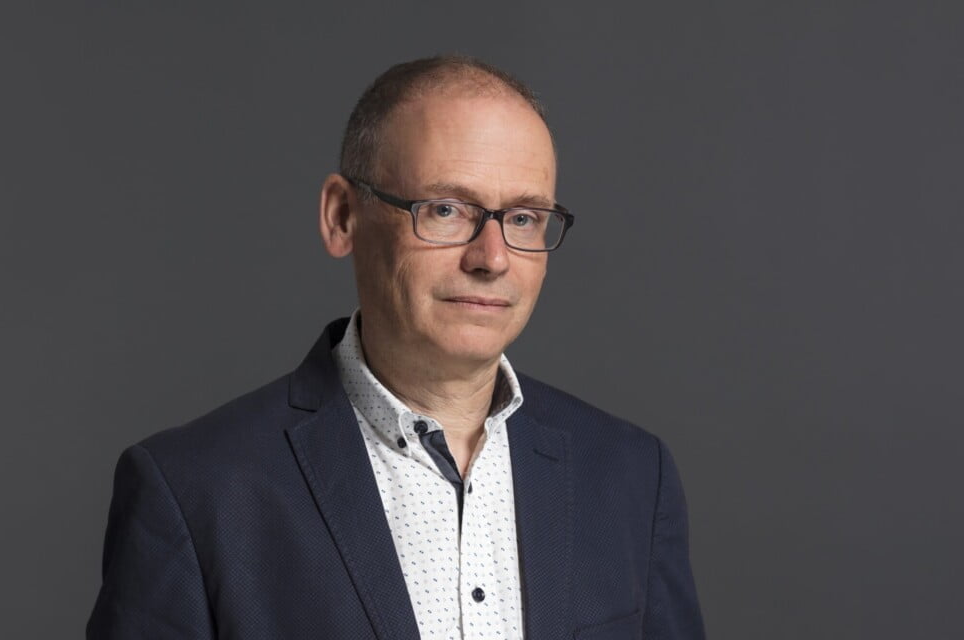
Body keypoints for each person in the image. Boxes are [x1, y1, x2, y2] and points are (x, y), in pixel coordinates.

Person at [87, 55, 705, 640]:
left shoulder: (631, 475)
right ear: (342, 217)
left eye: (523, 218)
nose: (491, 259)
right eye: (446, 209)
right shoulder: (195, 491)